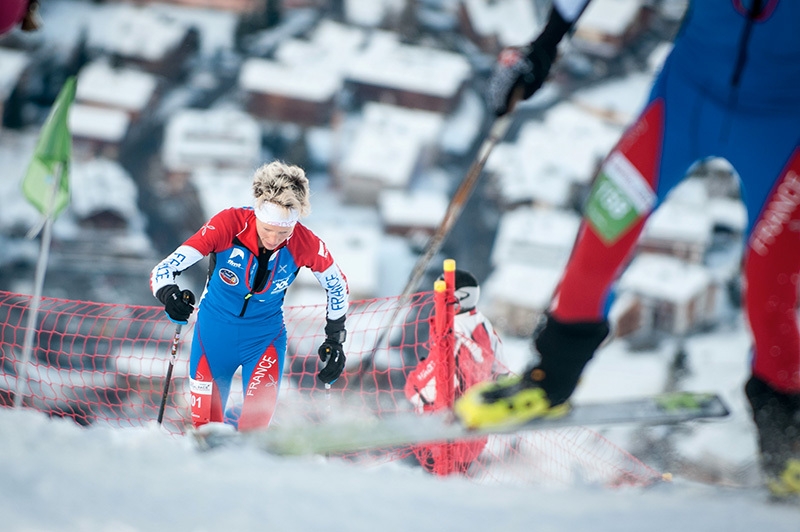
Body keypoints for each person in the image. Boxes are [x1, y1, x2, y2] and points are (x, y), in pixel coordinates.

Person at [455, 0, 800, 497]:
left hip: (783, 123)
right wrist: (546, 43)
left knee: (771, 292)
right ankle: (547, 382)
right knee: (601, 234)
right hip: (686, 98)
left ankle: (785, 441)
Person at [150, 161, 349, 432]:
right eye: (267, 229)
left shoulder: (305, 242)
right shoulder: (228, 225)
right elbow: (164, 269)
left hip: (264, 340)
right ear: (256, 215)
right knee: (205, 429)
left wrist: (335, 339)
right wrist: (169, 295)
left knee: (254, 431)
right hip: (213, 336)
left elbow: (337, 286)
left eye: (283, 233)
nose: (274, 239)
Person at [405, 269, 504, 474]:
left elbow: (422, 388)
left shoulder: (453, 330)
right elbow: (501, 371)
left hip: (446, 431)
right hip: (475, 424)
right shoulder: (483, 324)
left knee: (440, 485)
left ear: (459, 297)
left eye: (441, 294)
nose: (436, 299)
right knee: (458, 482)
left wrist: (413, 387)